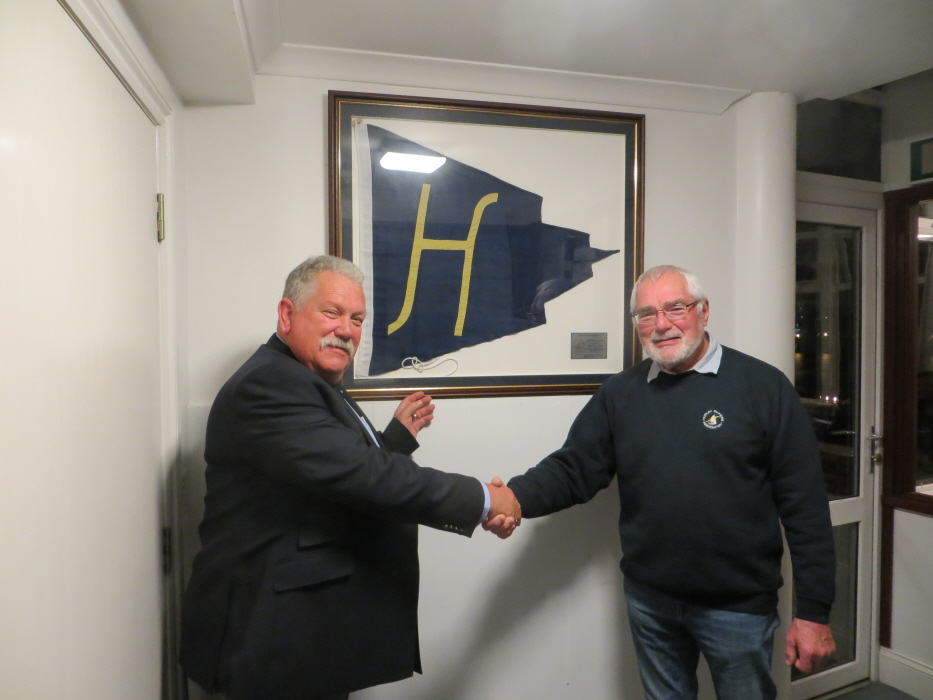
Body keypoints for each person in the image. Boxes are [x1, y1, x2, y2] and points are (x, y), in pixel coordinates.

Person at [180, 255, 521, 700]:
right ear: (287, 314)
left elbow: (332, 474)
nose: (346, 330)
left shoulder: (309, 379)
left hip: (302, 632)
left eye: (357, 319)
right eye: (332, 312)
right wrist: (482, 500)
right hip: (270, 635)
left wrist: (394, 440)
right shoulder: (269, 385)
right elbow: (365, 476)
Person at [489, 264, 836, 700]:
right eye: (646, 314)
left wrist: (814, 613)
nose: (662, 324)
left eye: (676, 308)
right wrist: (512, 498)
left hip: (738, 608)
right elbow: (574, 468)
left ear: (703, 311)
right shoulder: (621, 394)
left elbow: (806, 507)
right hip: (650, 601)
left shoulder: (764, 387)